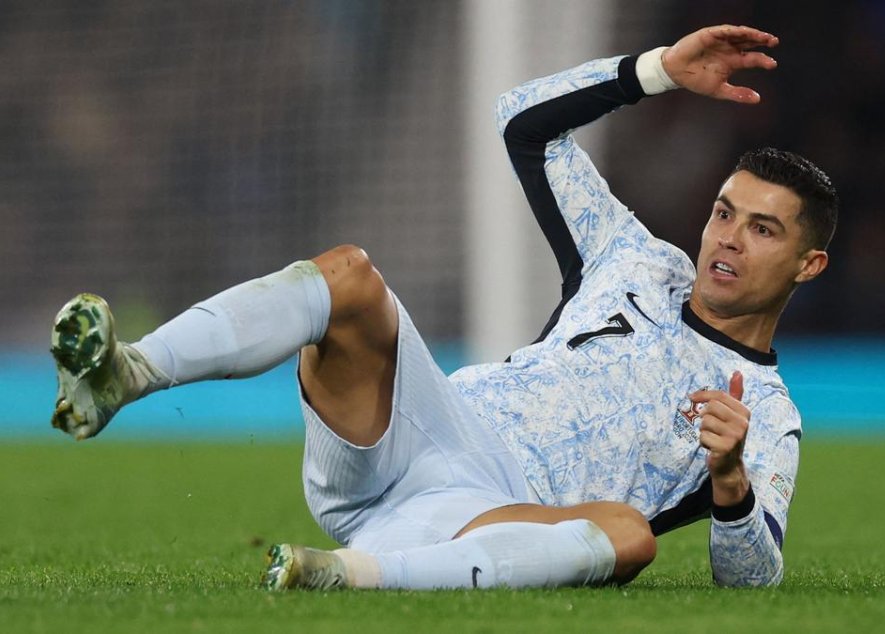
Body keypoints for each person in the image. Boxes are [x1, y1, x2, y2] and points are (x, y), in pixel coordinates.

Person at [50, 24, 836, 590]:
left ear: (809, 264)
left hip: (491, 515)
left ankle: (352, 574)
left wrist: (728, 477)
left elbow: (752, 576)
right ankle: (127, 373)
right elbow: (524, 123)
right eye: (725, 212)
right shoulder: (633, 260)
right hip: (421, 428)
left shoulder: (766, 412)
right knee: (351, 276)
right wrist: (655, 71)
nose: (728, 237)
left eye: (762, 229)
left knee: (630, 537)